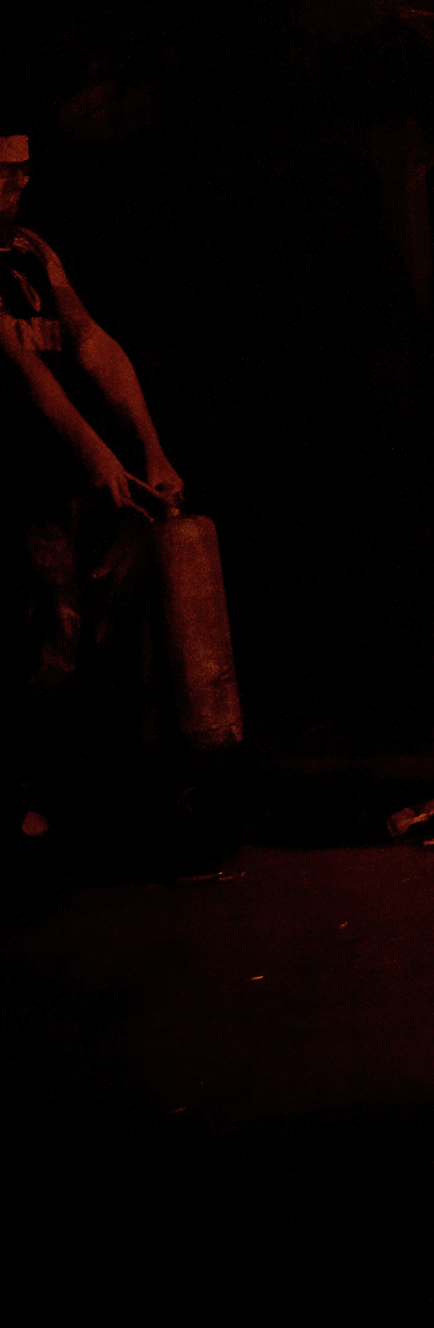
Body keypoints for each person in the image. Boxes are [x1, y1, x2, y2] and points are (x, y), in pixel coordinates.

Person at [8, 125, 192, 857]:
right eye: (0, 171)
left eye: (22, 171)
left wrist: (151, 447)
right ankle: (23, 809)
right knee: (51, 641)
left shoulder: (33, 252)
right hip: (16, 488)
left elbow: (91, 343)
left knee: (118, 618)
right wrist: (97, 455)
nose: (15, 185)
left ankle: (107, 801)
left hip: (68, 484)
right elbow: (25, 372)